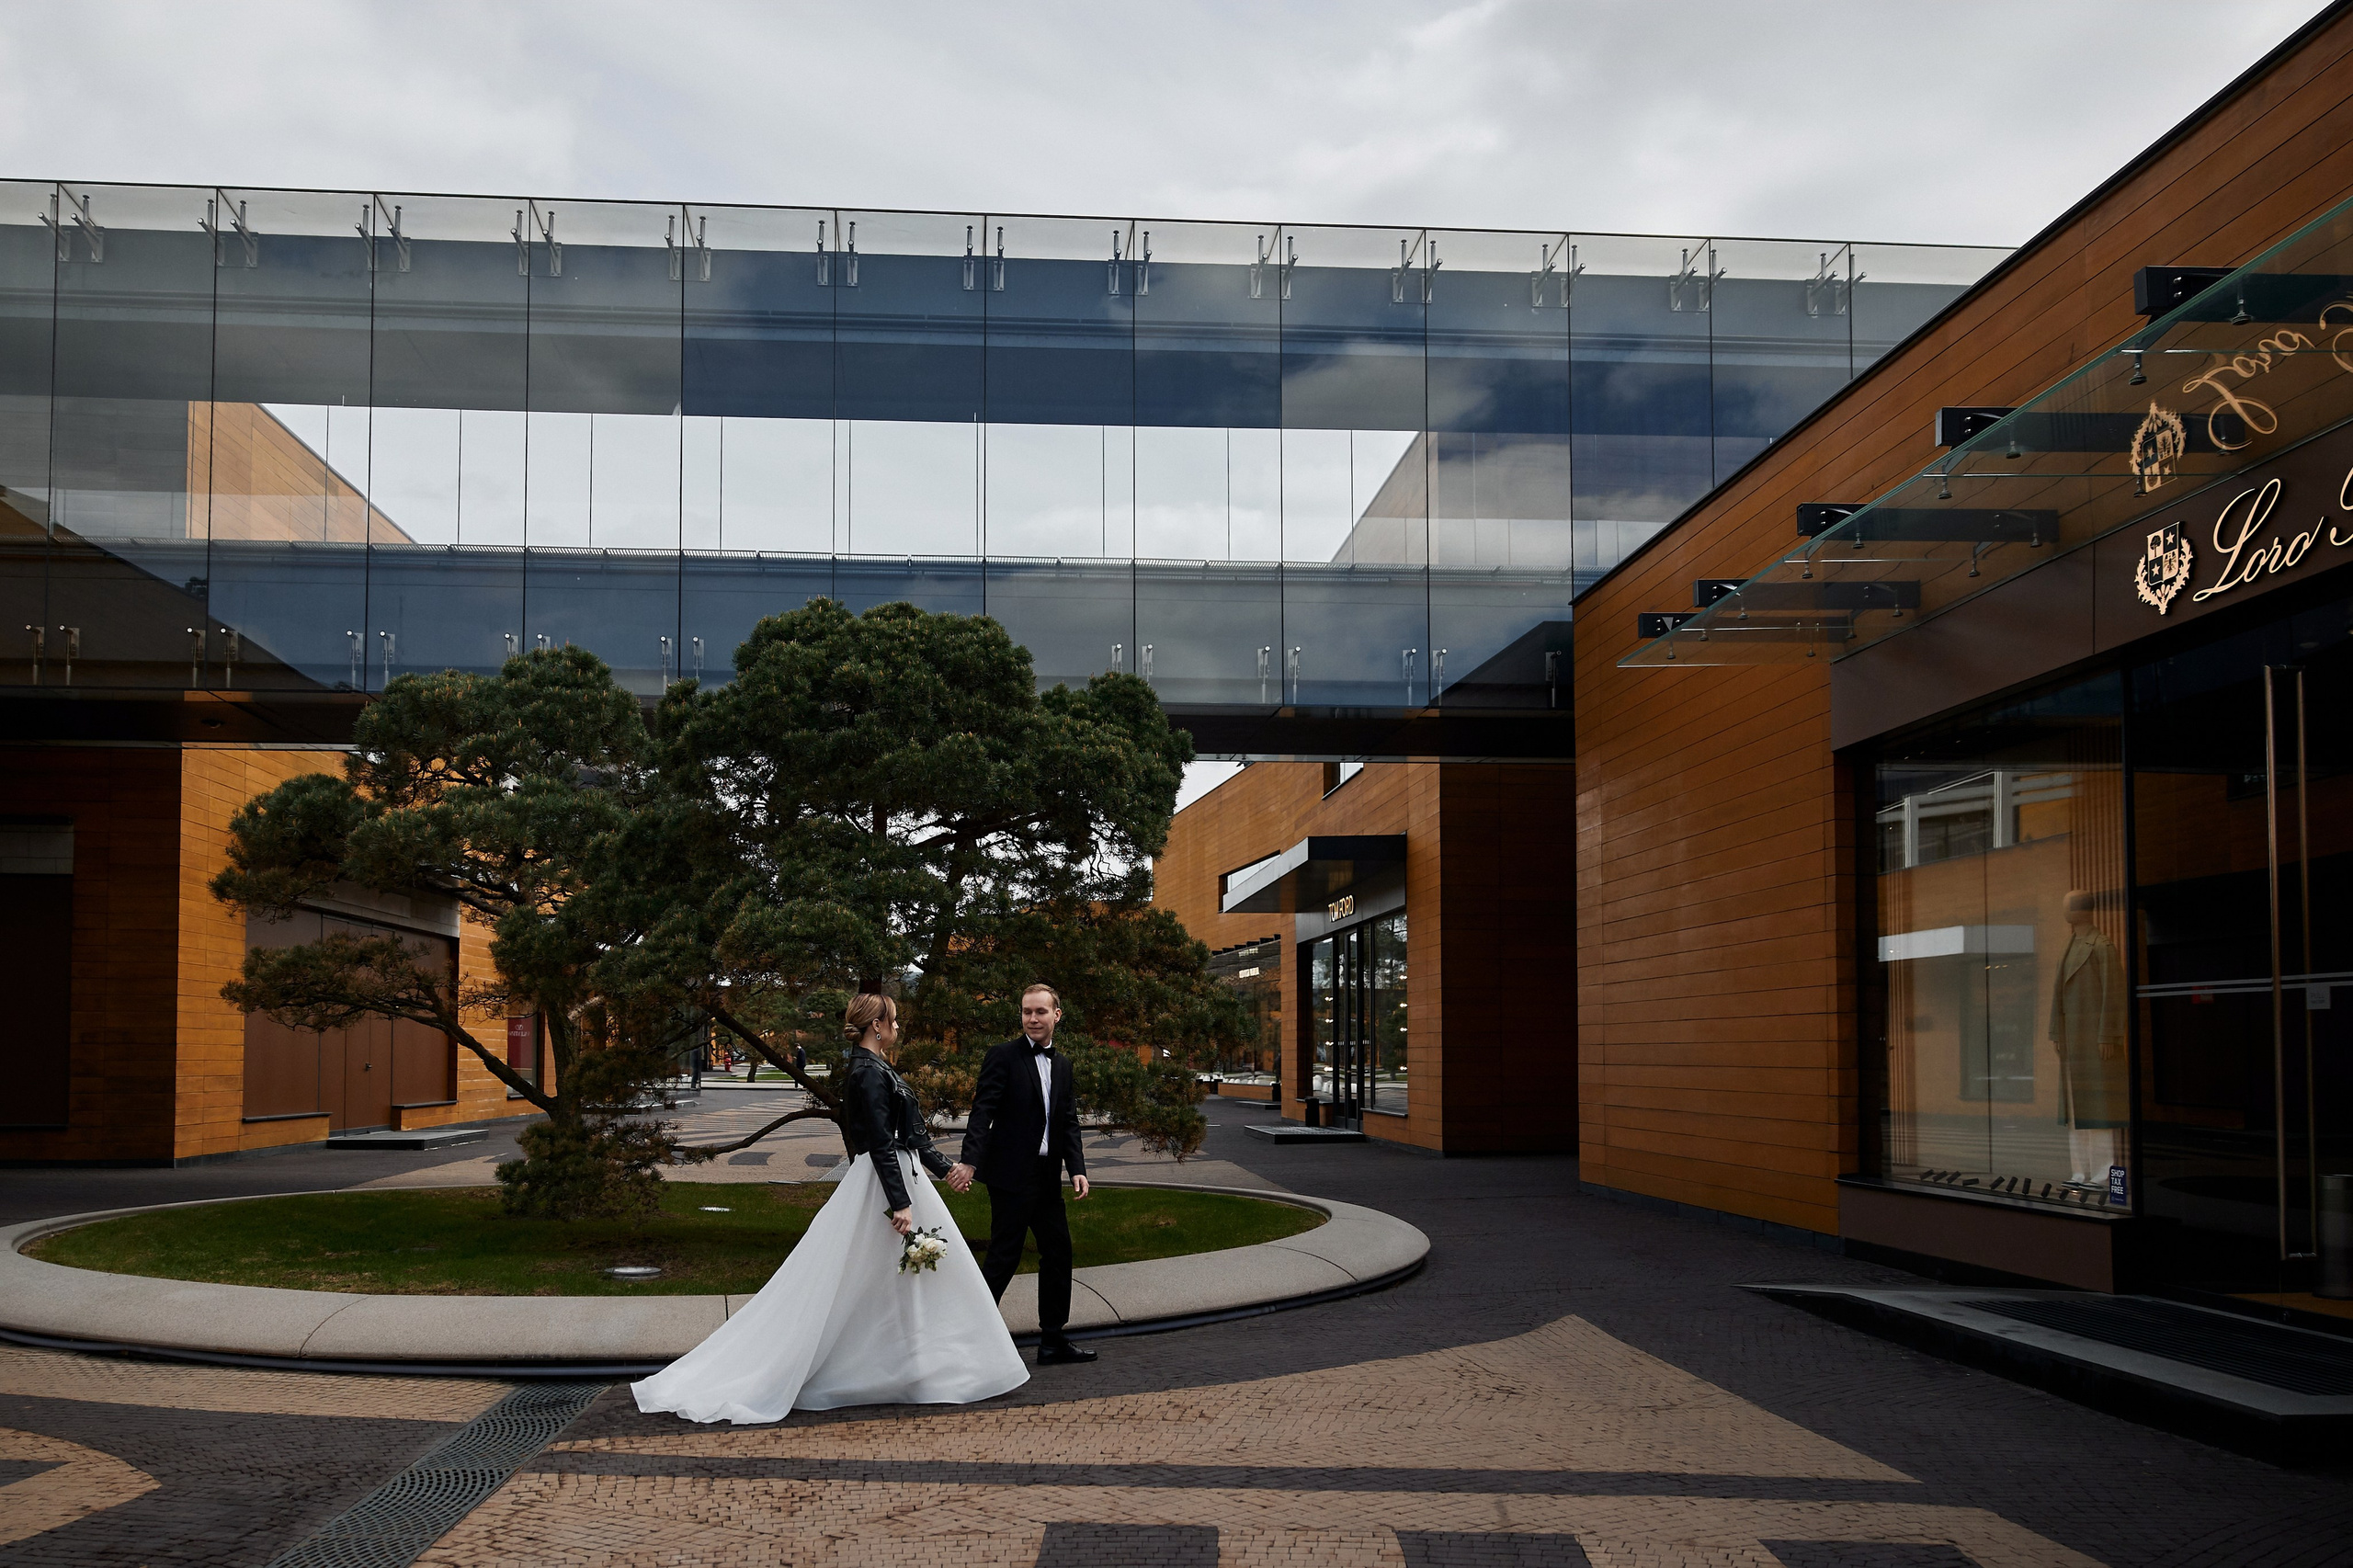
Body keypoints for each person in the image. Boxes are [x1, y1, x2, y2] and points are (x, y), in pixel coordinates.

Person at [631, 993, 1028, 1423]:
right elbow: (879, 1142)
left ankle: (917, 1367)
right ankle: (897, 1367)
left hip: (896, 1177)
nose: (899, 1025)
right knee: (871, 1275)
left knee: (905, 1276)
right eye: (894, 1019)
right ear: (878, 1025)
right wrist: (901, 1203)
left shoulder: (875, 1067)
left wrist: (948, 1169)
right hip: (884, 1185)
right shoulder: (867, 1071)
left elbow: (910, 1135)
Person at [949, 983, 1096, 1366]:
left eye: (1041, 1012)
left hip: (1047, 1177)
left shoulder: (1062, 1064)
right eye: (1027, 1012)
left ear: (1056, 1015)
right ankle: (968, 1340)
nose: (1033, 1018)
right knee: (1004, 1257)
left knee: (1058, 1254)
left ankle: (1052, 1340)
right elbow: (983, 1112)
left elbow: (1068, 1121)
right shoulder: (1002, 1056)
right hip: (1011, 1176)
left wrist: (1076, 1168)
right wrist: (969, 1161)